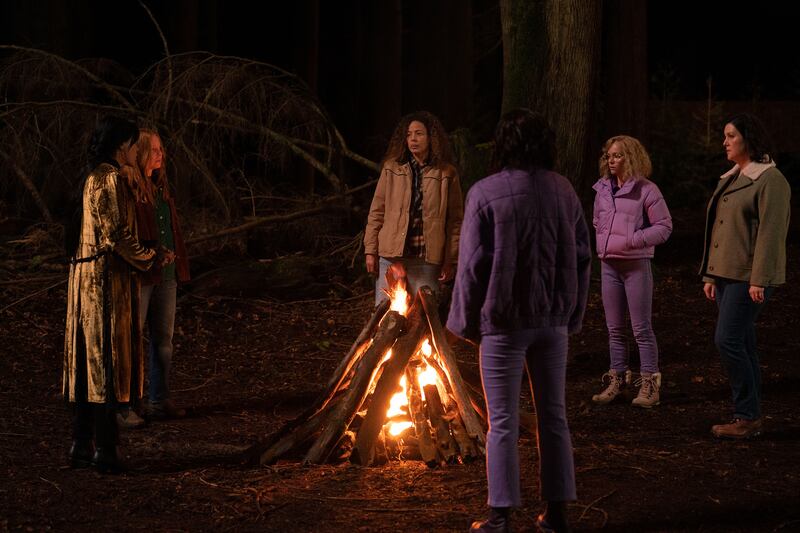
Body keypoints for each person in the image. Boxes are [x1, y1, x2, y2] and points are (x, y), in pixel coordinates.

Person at [447, 109, 591, 533]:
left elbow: (471, 265)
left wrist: (465, 324)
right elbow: (583, 257)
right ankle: (558, 512)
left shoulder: (485, 192)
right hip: (552, 321)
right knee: (554, 415)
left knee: (503, 421)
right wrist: (572, 315)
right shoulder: (563, 190)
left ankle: (501, 516)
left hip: (504, 322)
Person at [63, 116, 156, 473]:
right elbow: (115, 234)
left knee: (89, 364)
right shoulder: (110, 178)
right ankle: (104, 448)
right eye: (134, 146)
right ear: (122, 147)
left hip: (85, 281)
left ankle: (81, 444)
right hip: (103, 284)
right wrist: (147, 258)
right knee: (105, 362)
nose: (137, 152)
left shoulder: (92, 178)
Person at [700, 113, 790, 439]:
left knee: (727, 340)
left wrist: (760, 279)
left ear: (748, 139)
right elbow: (720, 229)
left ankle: (747, 415)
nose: (725, 142)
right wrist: (710, 275)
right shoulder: (732, 177)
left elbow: (771, 232)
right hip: (725, 274)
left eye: (731, 136)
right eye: (725, 136)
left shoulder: (770, 180)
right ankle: (750, 416)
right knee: (744, 342)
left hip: (747, 276)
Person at [590, 136, 672, 408]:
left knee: (641, 328)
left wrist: (634, 240)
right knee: (614, 329)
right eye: (608, 156)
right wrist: (604, 241)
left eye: (617, 156)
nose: (611, 161)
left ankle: (649, 384)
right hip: (609, 265)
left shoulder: (646, 190)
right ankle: (617, 379)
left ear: (631, 158)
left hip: (635, 265)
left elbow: (664, 227)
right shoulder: (602, 188)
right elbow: (597, 220)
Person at [364, 111, 463, 305]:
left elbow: (455, 220)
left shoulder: (446, 173)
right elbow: (377, 211)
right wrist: (370, 250)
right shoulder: (391, 168)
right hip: (391, 255)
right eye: (409, 135)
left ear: (431, 138)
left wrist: (450, 259)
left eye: (419, 134)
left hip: (426, 257)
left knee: (423, 320)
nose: (413, 139)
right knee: (385, 316)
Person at [131, 128, 190, 421]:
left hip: (165, 274)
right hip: (143, 274)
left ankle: (158, 398)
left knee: (163, 338)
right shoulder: (133, 189)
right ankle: (129, 402)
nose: (160, 155)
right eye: (154, 150)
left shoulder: (161, 188)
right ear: (140, 153)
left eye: (161, 149)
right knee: (132, 337)